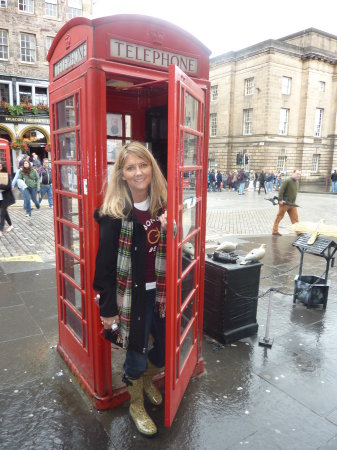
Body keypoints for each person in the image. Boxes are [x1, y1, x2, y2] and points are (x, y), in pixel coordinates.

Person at [93, 142, 167, 437]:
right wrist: (107, 310)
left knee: (162, 348)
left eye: (143, 165)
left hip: (160, 292)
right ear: (121, 174)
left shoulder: (161, 204)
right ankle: (135, 403)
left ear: (152, 167)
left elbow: (170, 248)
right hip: (132, 296)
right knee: (136, 353)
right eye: (131, 167)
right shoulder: (114, 214)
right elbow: (104, 267)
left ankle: (148, 378)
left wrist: (169, 229)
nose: (138, 172)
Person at [272, 169, 301, 236]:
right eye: (297, 173)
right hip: (284, 203)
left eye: (299, 174)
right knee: (279, 217)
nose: (298, 175)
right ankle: (274, 231)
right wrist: (280, 200)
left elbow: (294, 192)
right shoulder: (287, 181)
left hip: (292, 204)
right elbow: (281, 190)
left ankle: (299, 232)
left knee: (295, 218)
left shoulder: (297, 182)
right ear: (293, 173)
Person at [0, 163, 15, 237]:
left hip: (5, 197)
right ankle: (10, 225)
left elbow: (8, 186)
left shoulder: (6, 175)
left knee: (2, 213)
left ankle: (0, 230)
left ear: (2, 166)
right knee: (4, 212)